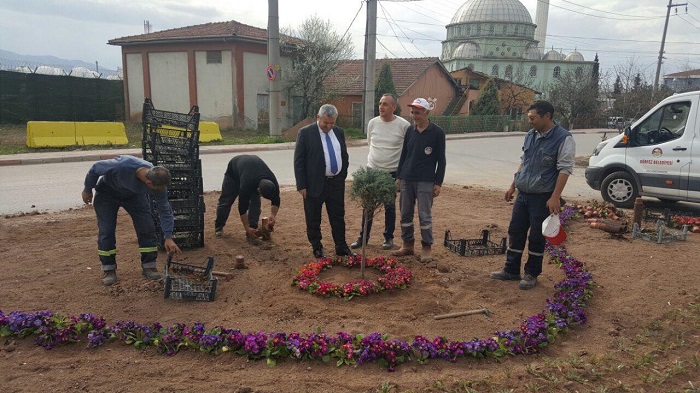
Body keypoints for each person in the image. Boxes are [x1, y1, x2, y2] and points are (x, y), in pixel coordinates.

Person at [490, 100, 575, 290]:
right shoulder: (530, 135)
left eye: (533, 118)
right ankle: (511, 270)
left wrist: (555, 197)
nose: (530, 121)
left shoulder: (563, 138)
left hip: (542, 197)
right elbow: (524, 162)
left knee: (536, 236)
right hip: (523, 193)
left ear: (547, 116)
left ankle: (531, 273)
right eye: (528, 117)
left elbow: (564, 170)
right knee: (516, 230)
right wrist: (513, 186)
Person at [82, 155, 182, 286]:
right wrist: (88, 189)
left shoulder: (159, 184)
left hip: (134, 196)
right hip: (107, 194)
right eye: (157, 189)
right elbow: (95, 168)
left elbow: (165, 209)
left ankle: (149, 266)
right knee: (107, 230)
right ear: (148, 183)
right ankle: (109, 269)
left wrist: (168, 236)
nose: (160, 191)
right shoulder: (123, 165)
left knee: (146, 227)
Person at [293, 104, 355, 259]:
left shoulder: (339, 132)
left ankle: (341, 246)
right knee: (313, 217)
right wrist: (301, 185)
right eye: (325, 123)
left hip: (335, 183)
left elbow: (344, 156)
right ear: (318, 117)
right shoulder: (306, 133)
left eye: (332, 123)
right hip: (313, 184)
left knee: (338, 217)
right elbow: (299, 161)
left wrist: (341, 176)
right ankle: (317, 247)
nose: (328, 126)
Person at [350, 93, 410, 250]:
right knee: (368, 205)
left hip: (392, 172)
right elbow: (371, 142)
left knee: (389, 206)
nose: (381, 107)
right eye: (380, 103)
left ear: (393, 107)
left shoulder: (403, 126)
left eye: (385, 104)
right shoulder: (372, 123)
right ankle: (363, 238)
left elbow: (407, 151)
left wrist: (400, 176)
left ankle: (388, 238)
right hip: (372, 171)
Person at [392, 98, 446, 263]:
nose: (414, 116)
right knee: (405, 214)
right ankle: (407, 244)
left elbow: (441, 160)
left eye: (418, 112)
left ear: (426, 112)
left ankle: (426, 247)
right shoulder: (410, 130)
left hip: (426, 181)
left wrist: (438, 183)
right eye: (412, 112)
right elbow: (404, 155)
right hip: (407, 178)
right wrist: (399, 176)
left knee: (424, 216)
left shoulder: (437, 133)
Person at [214, 154, 280, 243]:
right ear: (259, 189)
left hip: (250, 171)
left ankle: (252, 230)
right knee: (226, 201)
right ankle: (219, 227)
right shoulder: (246, 185)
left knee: (256, 204)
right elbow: (242, 208)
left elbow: (276, 200)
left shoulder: (273, 182)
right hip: (233, 173)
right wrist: (246, 227)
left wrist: (273, 215)